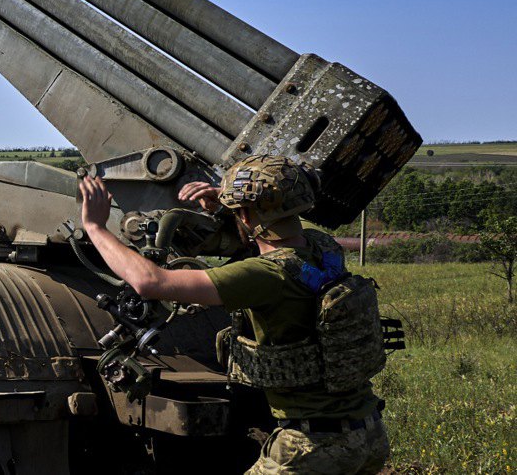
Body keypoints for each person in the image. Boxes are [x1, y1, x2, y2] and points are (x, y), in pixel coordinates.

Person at [79, 154, 390, 475]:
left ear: (245, 213)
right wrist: (232, 209)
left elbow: (150, 282)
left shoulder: (265, 276)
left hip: (312, 447)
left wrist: (96, 227)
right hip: (369, 434)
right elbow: (269, 236)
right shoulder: (325, 249)